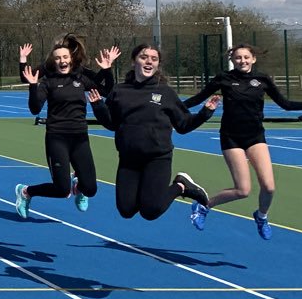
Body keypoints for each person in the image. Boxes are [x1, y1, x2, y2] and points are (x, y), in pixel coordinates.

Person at [182, 44, 302, 239]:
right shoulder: (224, 79)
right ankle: (203, 205)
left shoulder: (263, 79)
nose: (242, 61)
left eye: (246, 57)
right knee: (243, 190)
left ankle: (261, 216)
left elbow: (286, 105)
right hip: (231, 137)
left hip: (255, 137)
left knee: (269, 187)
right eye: (238, 57)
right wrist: (168, 107)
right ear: (232, 60)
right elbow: (196, 99)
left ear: (253, 59)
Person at [87, 44, 220, 223]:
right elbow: (111, 124)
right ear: (134, 61)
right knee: (126, 210)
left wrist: (205, 112)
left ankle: (181, 186)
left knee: (150, 211)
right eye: (144, 57)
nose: (149, 61)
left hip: (157, 158)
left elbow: (183, 125)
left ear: (158, 65)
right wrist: (98, 107)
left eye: (154, 58)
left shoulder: (165, 92)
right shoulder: (120, 91)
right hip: (129, 159)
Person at [13, 35, 120, 218]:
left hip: (80, 138)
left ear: (71, 59)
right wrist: (32, 85)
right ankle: (26, 192)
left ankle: (78, 187)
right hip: (57, 138)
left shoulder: (80, 79)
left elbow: (106, 90)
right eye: (58, 58)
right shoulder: (48, 82)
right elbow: (34, 108)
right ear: (53, 62)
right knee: (62, 190)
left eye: (65, 57)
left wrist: (107, 69)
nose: (62, 61)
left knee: (91, 189)